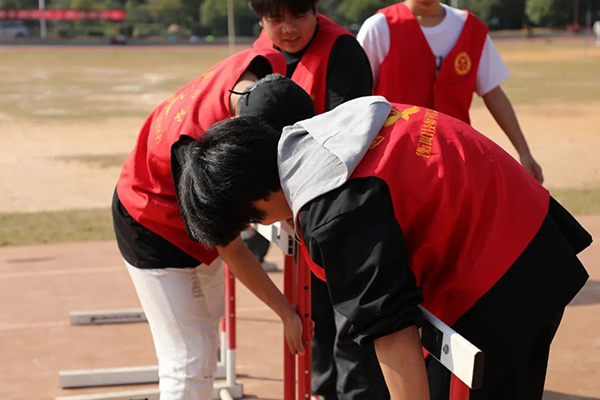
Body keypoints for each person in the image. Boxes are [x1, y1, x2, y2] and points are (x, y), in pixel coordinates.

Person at [176, 95, 591, 400]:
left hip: (509, 270)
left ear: (259, 197)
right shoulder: (317, 138)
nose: (262, 225)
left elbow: (391, 329)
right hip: (523, 228)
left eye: (252, 219)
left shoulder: (335, 211)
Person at [112, 49, 313, 400]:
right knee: (189, 358)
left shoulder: (263, 63)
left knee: (206, 336)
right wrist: (285, 312)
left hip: (187, 201)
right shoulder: (197, 151)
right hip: (150, 222)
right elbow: (231, 248)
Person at [250, 2, 385, 398]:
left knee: (350, 315)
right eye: (276, 20)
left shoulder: (343, 51)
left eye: (298, 16)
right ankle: (321, 389)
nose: (288, 29)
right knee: (314, 312)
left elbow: (348, 136)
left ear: (315, 11)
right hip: (296, 203)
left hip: (341, 198)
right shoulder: (260, 53)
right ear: (261, 20)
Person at [357, 0, 544, 184]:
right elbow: (358, 101)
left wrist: (524, 152)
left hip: (453, 160)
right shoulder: (379, 27)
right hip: (395, 161)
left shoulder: (470, 28)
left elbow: (493, 93)